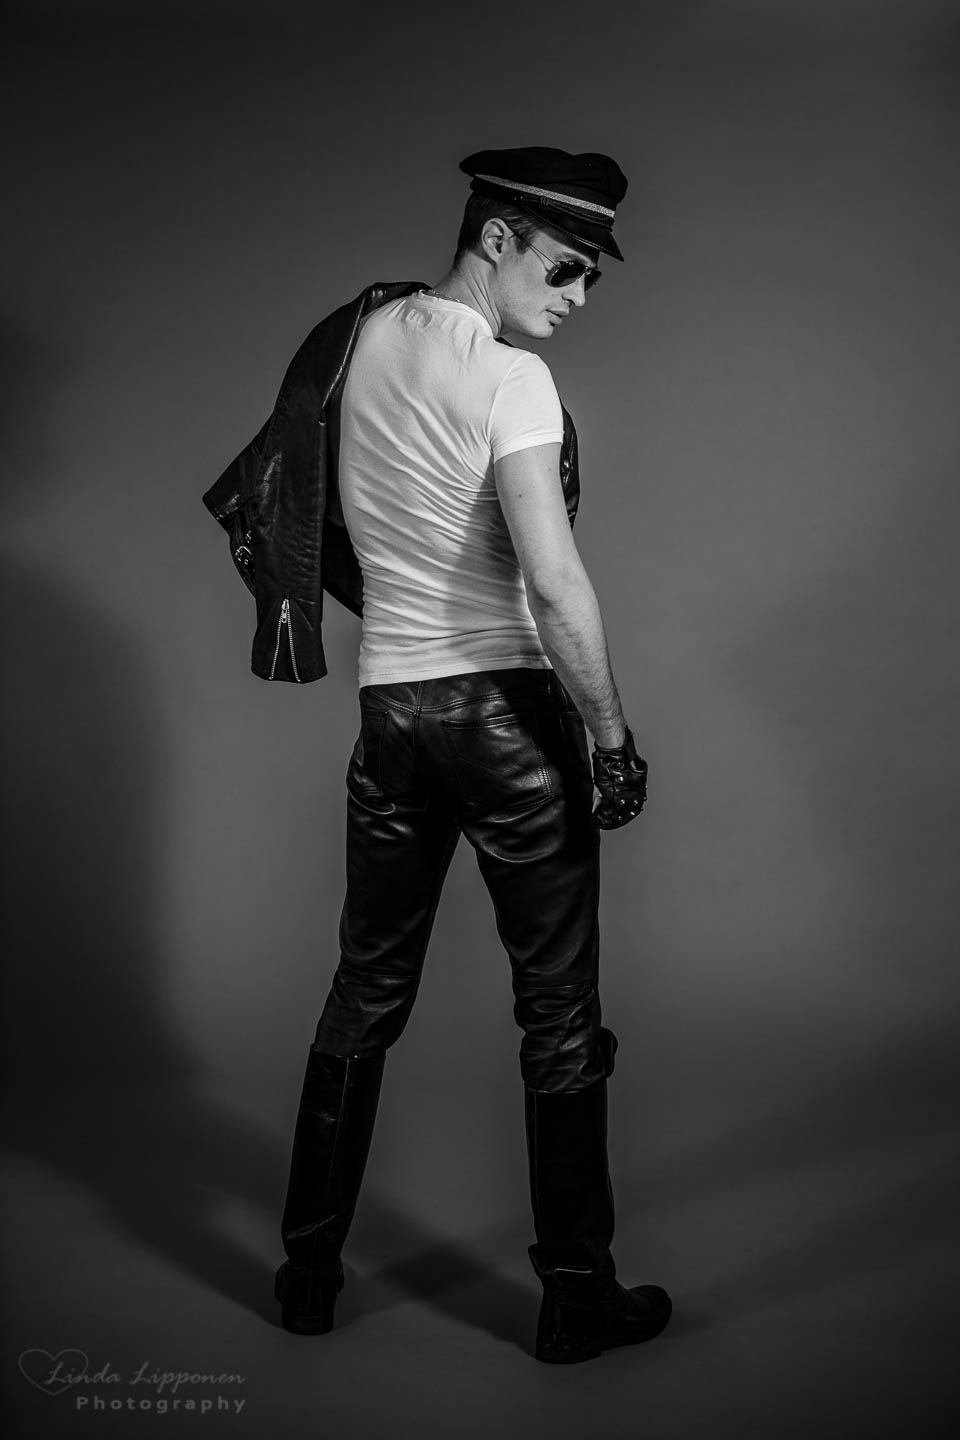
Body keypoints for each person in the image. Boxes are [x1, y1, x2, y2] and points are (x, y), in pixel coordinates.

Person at [204, 146, 670, 1364]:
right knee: (558, 1015)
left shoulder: (358, 344)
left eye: (593, 279)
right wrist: (612, 742)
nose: (577, 295)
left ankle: (308, 1272)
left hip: (392, 716)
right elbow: (553, 585)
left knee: (365, 987)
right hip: (507, 717)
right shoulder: (511, 381)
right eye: (566, 267)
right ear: (499, 237)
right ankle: (576, 1297)